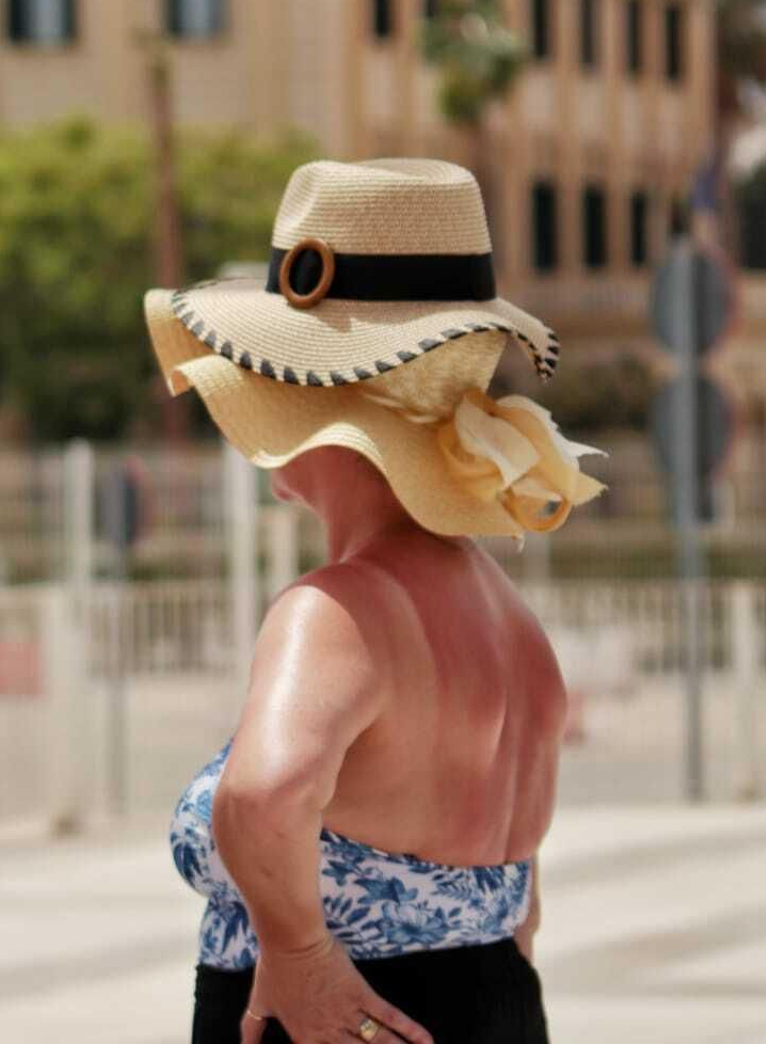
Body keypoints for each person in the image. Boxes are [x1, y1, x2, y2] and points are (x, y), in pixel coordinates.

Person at [144, 159, 606, 1043]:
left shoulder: (337, 610)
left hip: (342, 1017)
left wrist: (301, 953)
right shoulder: (509, 618)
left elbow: (264, 795)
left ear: (320, 402)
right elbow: (519, 900)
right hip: (496, 1003)